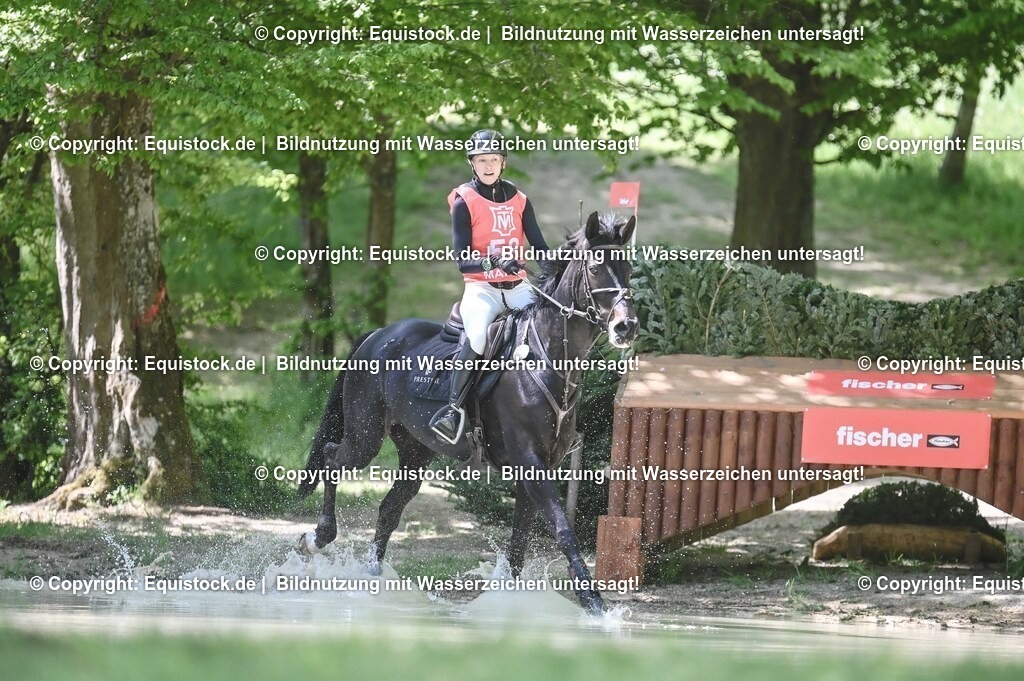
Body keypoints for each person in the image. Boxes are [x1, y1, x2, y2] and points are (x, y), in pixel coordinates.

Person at [429, 129, 551, 444]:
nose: (488, 165)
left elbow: (540, 247)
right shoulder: (463, 200)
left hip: (518, 288)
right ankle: (452, 410)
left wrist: (563, 268)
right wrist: (495, 263)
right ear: (472, 163)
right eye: (481, 160)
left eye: (493, 159)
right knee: (479, 336)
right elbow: (462, 259)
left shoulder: (520, 200)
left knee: (549, 328)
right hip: (481, 289)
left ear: (503, 163)